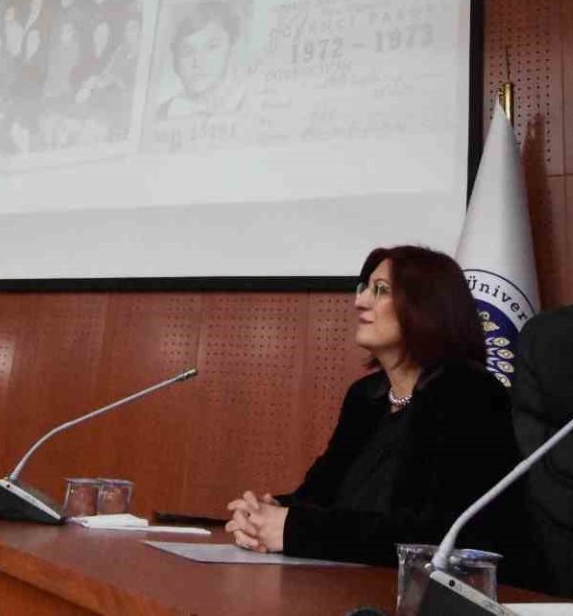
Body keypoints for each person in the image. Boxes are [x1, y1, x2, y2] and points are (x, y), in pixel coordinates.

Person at [224, 246, 534, 581]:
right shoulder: (365, 396)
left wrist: (292, 528)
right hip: (354, 583)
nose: (359, 302)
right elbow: (318, 497)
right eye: (364, 288)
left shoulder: (469, 393)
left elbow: (436, 535)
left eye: (381, 290)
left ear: (426, 307)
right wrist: (262, 516)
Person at [157, 0, 248, 120]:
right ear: (175, 61)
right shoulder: (161, 114)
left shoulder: (246, 105)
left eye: (212, 47)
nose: (198, 62)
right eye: (188, 51)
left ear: (231, 50)